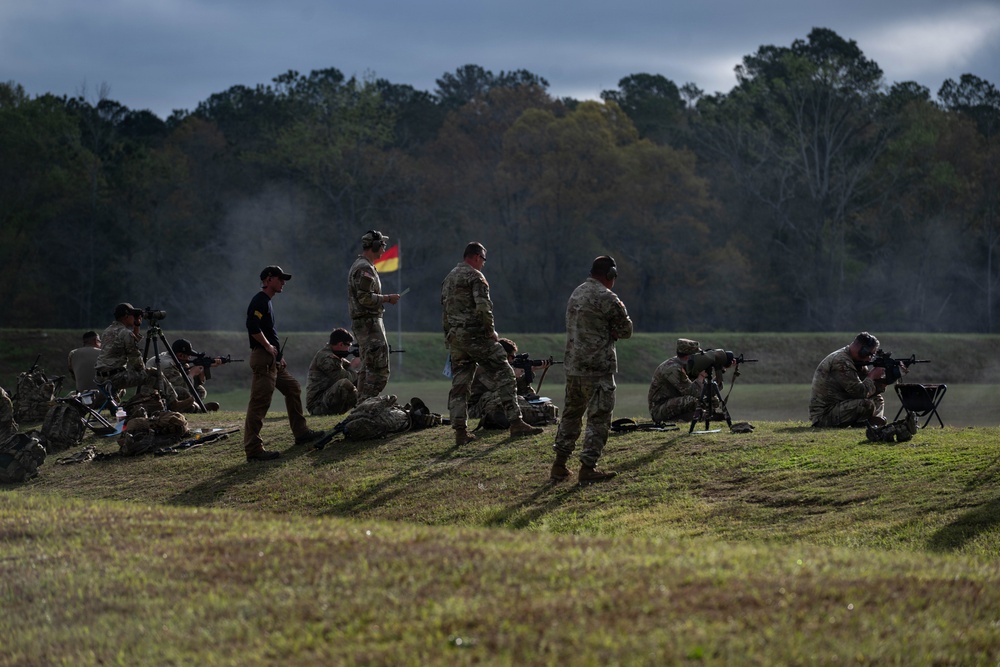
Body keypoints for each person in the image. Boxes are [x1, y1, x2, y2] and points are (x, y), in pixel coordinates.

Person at [441, 242, 544, 446]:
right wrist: (491, 332)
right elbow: (483, 307)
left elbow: (445, 311)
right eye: (484, 260)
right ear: (477, 257)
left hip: (456, 338)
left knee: (460, 384)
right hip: (476, 336)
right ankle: (516, 422)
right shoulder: (475, 277)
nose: (483, 265)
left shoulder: (449, 278)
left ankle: (460, 432)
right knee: (505, 372)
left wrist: (449, 336)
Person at [549, 255, 633, 485]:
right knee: (599, 418)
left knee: (571, 415)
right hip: (598, 368)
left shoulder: (577, 292)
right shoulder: (607, 297)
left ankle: (559, 464)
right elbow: (626, 330)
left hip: (574, 367)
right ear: (610, 275)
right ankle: (588, 467)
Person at [243, 265, 323, 461]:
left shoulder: (267, 302)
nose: (283, 283)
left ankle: (301, 433)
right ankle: (253, 450)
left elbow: (264, 329)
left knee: (293, 388)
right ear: (268, 279)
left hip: (272, 360)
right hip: (263, 359)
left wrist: (278, 357)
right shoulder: (260, 300)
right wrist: (268, 346)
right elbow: (252, 326)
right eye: (280, 279)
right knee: (259, 404)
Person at [93, 303, 185, 409]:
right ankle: (173, 402)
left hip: (100, 377)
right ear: (126, 316)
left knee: (144, 374)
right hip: (115, 378)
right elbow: (136, 362)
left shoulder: (108, 331)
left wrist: (136, 326)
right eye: (134, 315)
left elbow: (128, 340)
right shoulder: (125, 333)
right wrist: (144, 369)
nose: (135, 318)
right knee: (154, 374)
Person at [348, 230, 401, 401]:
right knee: (378, 368)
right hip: (368, 323)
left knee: (368, 366)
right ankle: (366, 402)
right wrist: (387, 298)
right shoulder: (364, 267)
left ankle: (362, 403)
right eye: (382, 245)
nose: (384, 249)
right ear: (375, 246)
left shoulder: (364, 265)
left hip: (366, 322)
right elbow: (364, 298)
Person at [809, 331, 899, 428]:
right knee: (865, 404)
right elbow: (860, 392)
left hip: (840, 405)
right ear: (862, 350)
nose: (870, 359)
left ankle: (873, 424)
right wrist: (872, 376)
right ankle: (869, 423)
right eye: (869, 354)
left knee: (877, 399)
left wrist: (890, 376)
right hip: (824, 415)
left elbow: (870, 390)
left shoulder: (856, 361)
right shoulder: (841, 361)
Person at [468, 337, 557, 428]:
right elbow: (499, 389)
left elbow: (520, 391)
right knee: (498, 395)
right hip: (475, 409)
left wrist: (528, 372)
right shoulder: (484, 368)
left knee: (527, 398)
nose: (513, 360)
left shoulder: (504, 367)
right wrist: (513, 376)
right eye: (512, 356)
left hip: (496, 403)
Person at [146, 338, 221, 412]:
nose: (189, 358)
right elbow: (183, 386)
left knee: (200, 390)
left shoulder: (173, 357)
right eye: (188, 355)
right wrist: (192, 373)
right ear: (181, 355)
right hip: (154, 394)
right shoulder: (167, 364)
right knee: (181, 391)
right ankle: (196, 409)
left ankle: (194, 406)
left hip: (165, 390)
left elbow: (192, 382)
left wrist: (204, 367)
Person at [647, 338, 709, 423]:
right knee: (691, 400)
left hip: (673, 402)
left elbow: (702, 391)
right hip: (659, 409)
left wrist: (719, 370)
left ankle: (697, 417)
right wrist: (701, 376)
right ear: (688, 356)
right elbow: (691, 391)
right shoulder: (672, 368)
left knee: (710, 399)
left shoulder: (685, 364)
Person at [306, 327, 360, 416]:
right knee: (344, 383)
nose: (348, 350)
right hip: (317, 406)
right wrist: (353, 366)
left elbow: (350, 370)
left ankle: (365, 407)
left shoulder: (335, 355)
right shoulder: (326, 357)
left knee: (361, 377)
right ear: (340, 344)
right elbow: (344, 378)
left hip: (327, 400)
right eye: (348, 346)